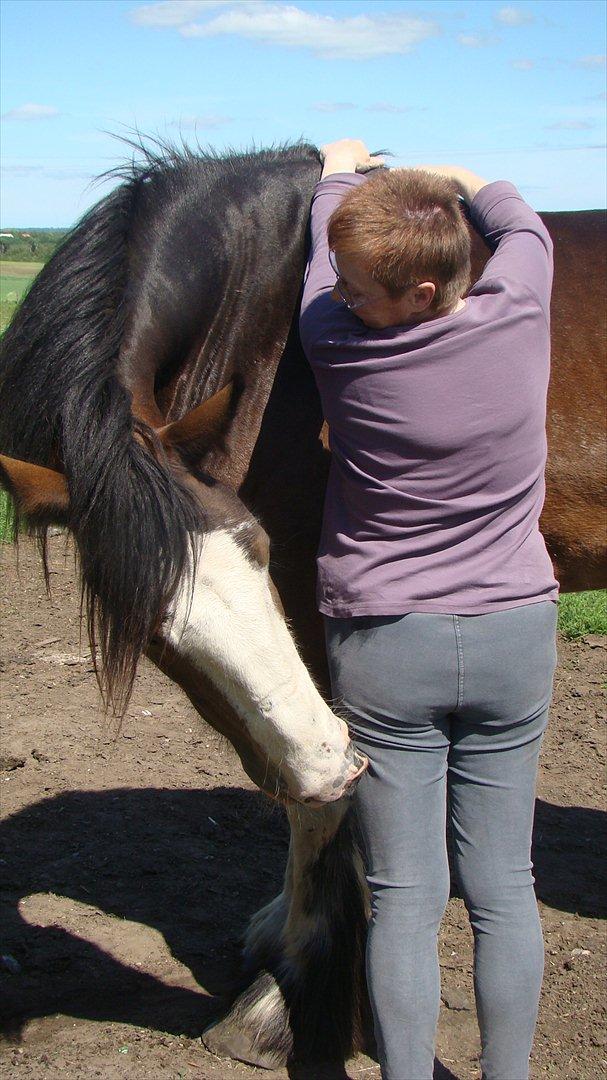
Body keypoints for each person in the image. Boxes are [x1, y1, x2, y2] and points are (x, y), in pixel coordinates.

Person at [299, 138, 559, 1080]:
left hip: (386, 647)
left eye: (360, 286)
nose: (340, 294)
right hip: (512, 638)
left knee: (404, 897)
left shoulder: (329, 343)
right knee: (504, 888)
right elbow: (515, 215)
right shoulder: (521, 308)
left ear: (414, 295)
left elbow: (315, 257)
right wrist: (447, 172)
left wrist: (338, 169)